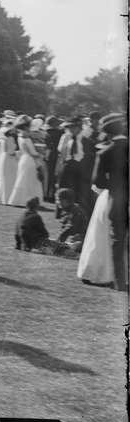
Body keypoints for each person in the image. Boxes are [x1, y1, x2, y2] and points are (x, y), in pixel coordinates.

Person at [85, 112, 127, 290]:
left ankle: (118, 280)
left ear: (107, 133)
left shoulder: (105, 152)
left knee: (113, 239)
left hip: (115, 198)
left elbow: (98, 182)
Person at [7, 115, 44, 207]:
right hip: (29, 160)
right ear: (26, 127)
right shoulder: (26, 137)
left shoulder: (20, 136)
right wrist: (40, 154)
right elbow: (32, 151)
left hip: (24, 158)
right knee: (29, 181)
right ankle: (25, 201)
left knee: (24, 179)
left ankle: (21, 200)